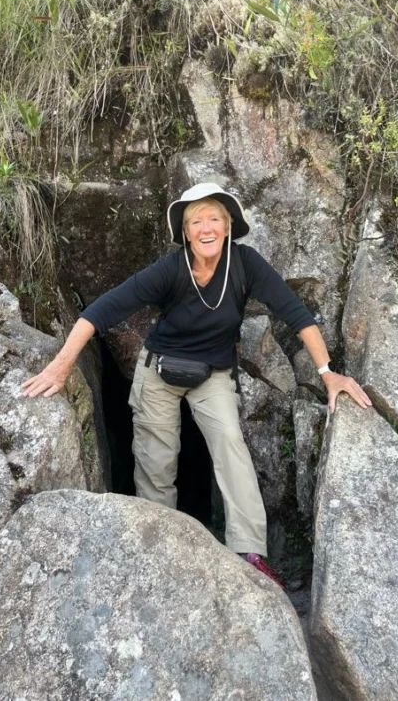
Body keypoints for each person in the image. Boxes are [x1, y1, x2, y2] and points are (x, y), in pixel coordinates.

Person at [22, 183, 372, 584]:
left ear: (227, 226)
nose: (205, 228)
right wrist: (61, 366)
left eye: (213, 219)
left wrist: (328, 373)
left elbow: (296, 314)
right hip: (159, 373)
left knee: (230, 445)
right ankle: (161, 554)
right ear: (185, 233)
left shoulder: (246, 265)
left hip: (213, 374)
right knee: (156, 462)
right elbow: (103, 309)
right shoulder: (170, 270)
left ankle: (251, 554)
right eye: (195, 221)